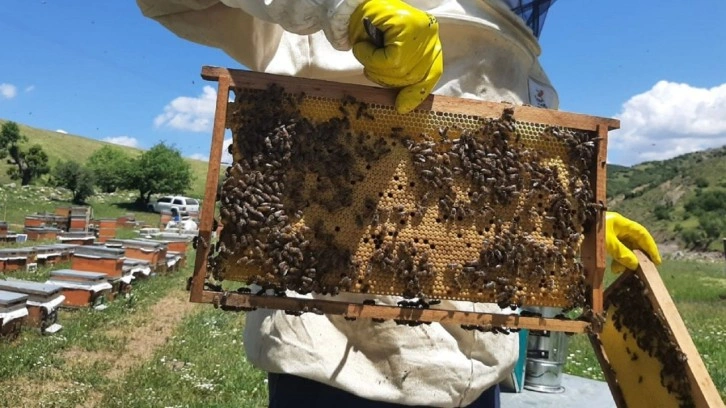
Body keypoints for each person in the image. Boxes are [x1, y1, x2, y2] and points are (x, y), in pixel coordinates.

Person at [137, 1, 662, 406]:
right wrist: (345, 11)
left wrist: (568, 218)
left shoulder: (516, 52)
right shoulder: (319, 24)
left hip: (478, 370)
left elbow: (484, 188)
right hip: (335, 365)